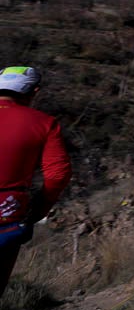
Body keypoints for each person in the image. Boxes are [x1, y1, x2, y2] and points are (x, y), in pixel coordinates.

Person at [0, 66, 72, 296]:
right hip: (7, 211)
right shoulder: (44, 123)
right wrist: (37, 211)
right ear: (35, 91)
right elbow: (58, 174)